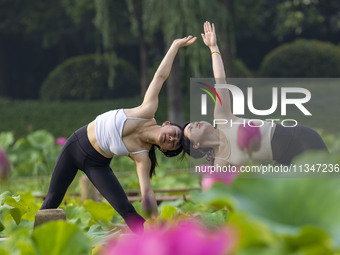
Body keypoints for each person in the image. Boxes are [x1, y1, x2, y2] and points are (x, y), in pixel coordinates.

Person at [40, 35, 197, 234]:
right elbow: (160, 76)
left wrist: (155, 220)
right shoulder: (147, 111)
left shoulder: (142, 156)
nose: (172, 138)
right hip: (74, 147)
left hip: (97, 164)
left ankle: (155, 241)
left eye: (174, 144)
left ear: (165, 150)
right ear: (167, 124)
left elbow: (147, 193)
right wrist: (175, 46)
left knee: (126, 209)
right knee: (52, 200)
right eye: (174, 133)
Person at [181, 21, 327, 168]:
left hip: (302, 138)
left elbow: (220, 80)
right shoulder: (221, 162)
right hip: (286, 160)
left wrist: (213, 47)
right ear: (196, 145)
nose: (194, 123)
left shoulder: (222, 118)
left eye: (192, 123)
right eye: (191, 129)